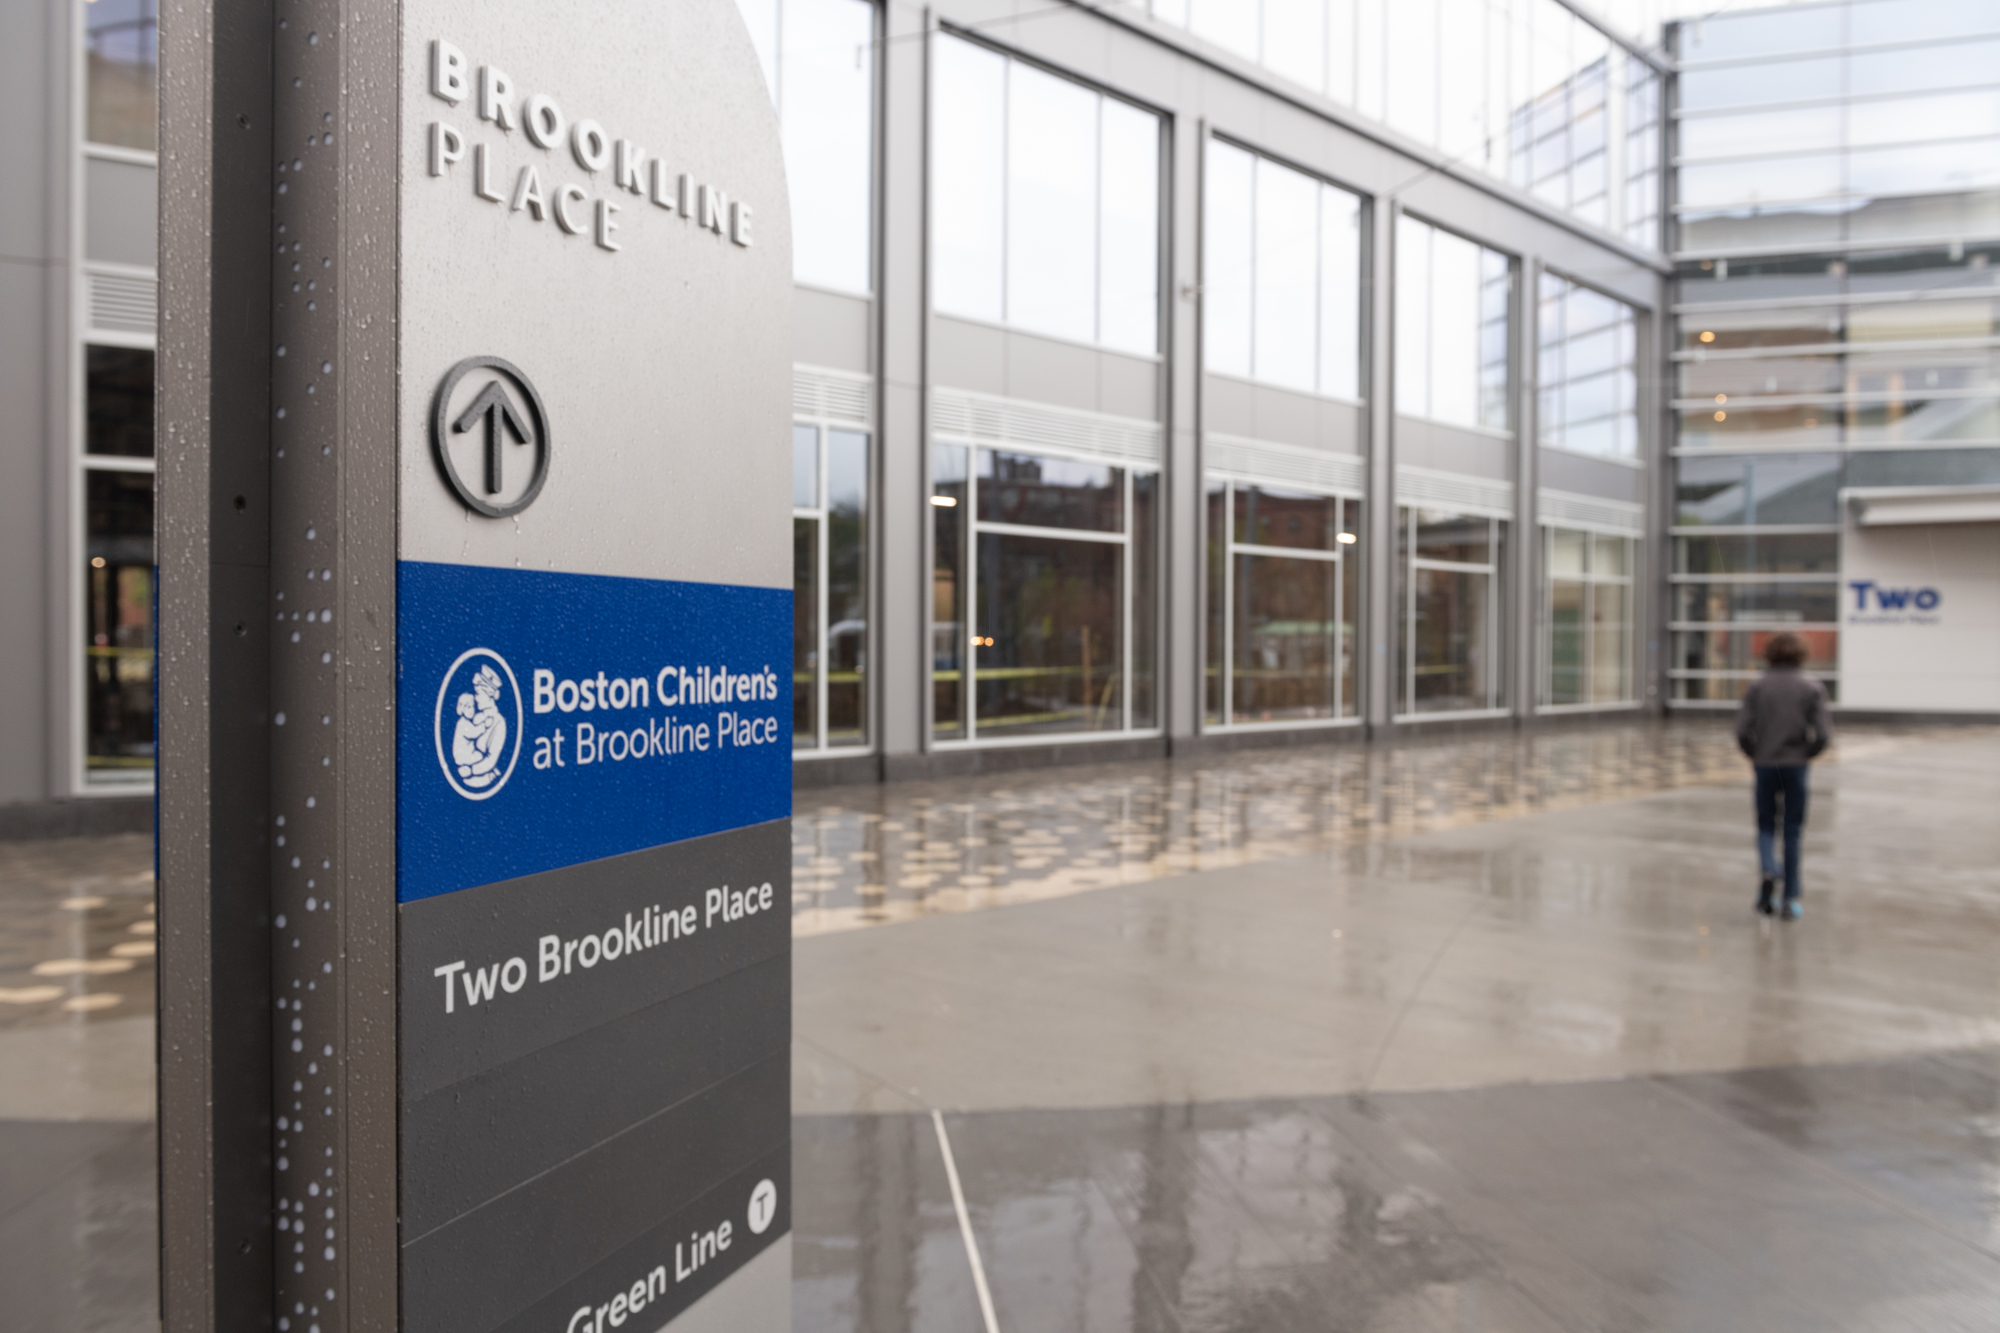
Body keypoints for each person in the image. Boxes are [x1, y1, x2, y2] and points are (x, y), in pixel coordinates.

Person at [1733, 632, 1832, 919]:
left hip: (1764, 764)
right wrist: (1807, 753)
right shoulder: (1811, 688)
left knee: (1765, 824)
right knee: (1792, 829)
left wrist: (1755, 752)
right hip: (1795, 765)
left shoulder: (1757, 687)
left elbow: (1741, 730)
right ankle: (1789, 899)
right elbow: (1824, 734)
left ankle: (1768, 868)